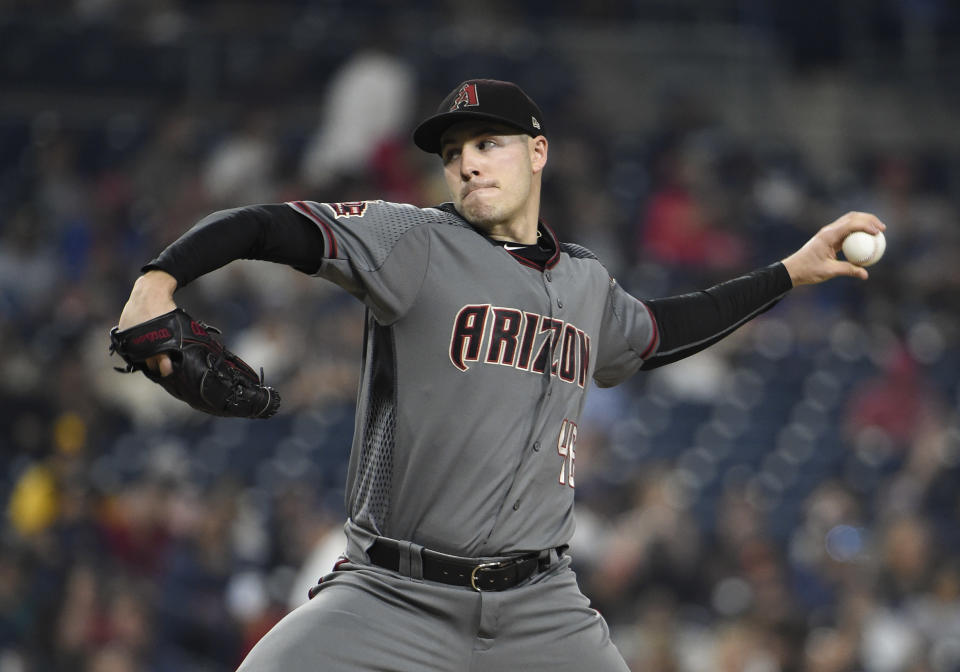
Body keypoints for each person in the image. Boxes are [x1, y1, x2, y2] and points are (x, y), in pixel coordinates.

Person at [116, 79, 886, 671]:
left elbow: (660, 332)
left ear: (538, 152)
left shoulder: (587, 286)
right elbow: (269, 225)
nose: (467, 163)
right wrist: (160, 277)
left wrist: (790, 272)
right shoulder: (413, 241)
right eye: (454, 153)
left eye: (489, 143)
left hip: (542, 607)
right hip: (392, 592)